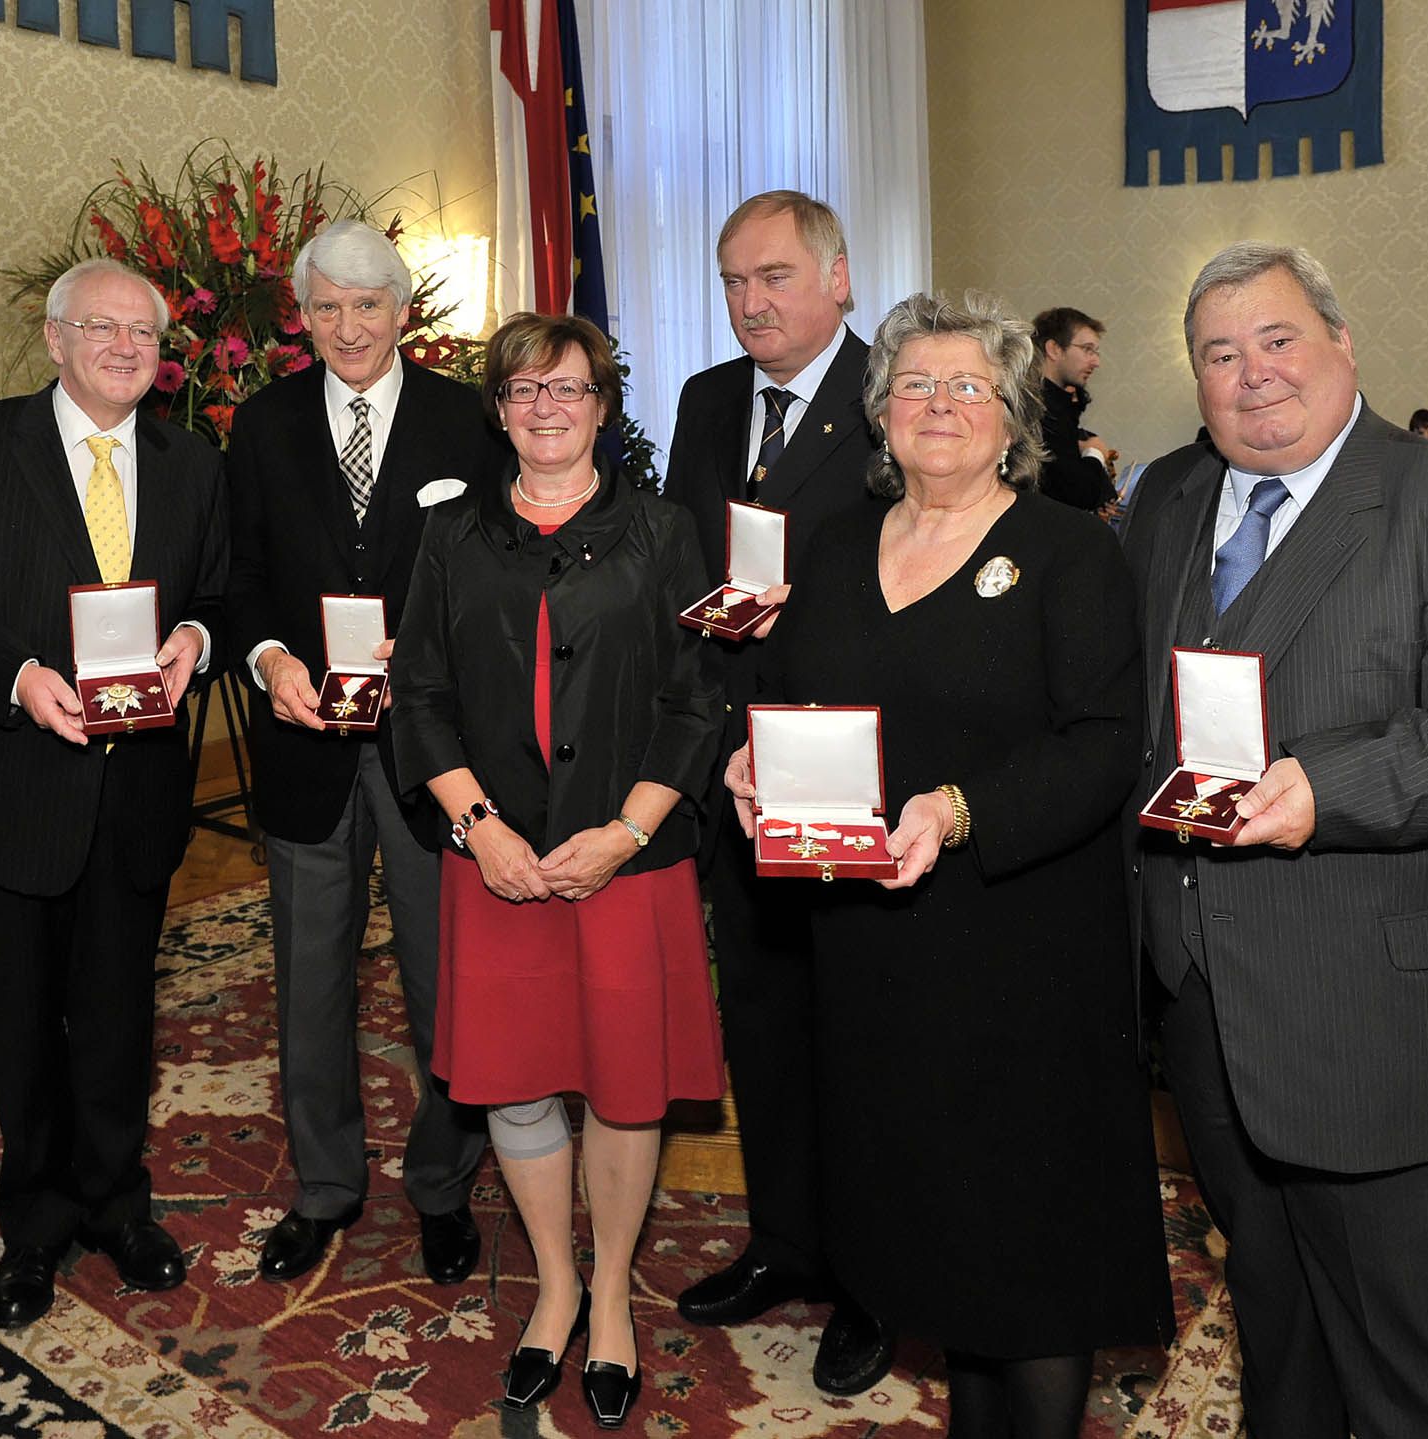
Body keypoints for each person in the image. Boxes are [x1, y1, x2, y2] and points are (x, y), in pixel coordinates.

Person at [721, 290, 1172, 1430]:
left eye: (968, 383)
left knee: (1023, 1242)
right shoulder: (832, 547)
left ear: (1012, 413)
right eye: (914, 382)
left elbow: (1101, 743)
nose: (938, 403)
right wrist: (747, 761)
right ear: (879, 413)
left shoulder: (1066, 549)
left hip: (1016, 946)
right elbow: (786, 697)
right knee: (932, 1227)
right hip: (870, 950)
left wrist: (959, 808)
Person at [1127, 242, 1428, 1437]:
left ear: (1340, 342)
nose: (1250, 375)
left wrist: (1334, 786)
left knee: (1420, 1371)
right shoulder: (1160, 498)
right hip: (1203, 1006)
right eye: (1218, 353)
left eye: (1275, 340)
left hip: (1390, 1030)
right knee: (1281, 1330)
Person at [391, 313, 724, 1430]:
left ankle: (616, 1288)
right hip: (501, 861)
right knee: (520, 1077)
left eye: (569, 389)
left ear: (601, 406)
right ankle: (556, 1281)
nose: (546, 407)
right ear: (497, 409)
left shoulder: (665, 528)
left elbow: (695, 699)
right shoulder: (449, 536)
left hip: (624, 858)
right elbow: (421, 697)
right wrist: (479, 827)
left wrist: (626, 831)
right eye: (524, 388)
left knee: (624, 1082)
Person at [0, 257, 228, 1330]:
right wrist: (17, 678)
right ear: (52, 337)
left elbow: (217, 587)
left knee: (123, 1015)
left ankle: (118, 1203)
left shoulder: (190, 462)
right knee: (24, 1021)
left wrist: (193, 638)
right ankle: (33, 1222)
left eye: (144, 333)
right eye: (101, 328)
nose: (126, 348)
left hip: (136, 796)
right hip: (13, 786)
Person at [224, 220, 492, 1287]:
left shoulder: (468, 419)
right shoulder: (261, 423)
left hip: (433, 750)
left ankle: (441, 1180)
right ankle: (325, 1184)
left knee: (445, 978)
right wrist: (271, 657)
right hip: (304, 748)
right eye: (325, 306)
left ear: (402, 309)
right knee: (310, 981)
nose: (346, 326)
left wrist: (435, 649)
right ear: (304, 314)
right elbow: (238, 575)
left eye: (366, 304)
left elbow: (497, 574)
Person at [657, 189, 893, 1396]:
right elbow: (688, 571)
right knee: (757, 1012)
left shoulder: (895, 394)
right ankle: (784, 1242)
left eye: (775, 277)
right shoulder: (704, 401)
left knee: (856, 1028)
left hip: (850, 765)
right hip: (729, 772)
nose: (752, 302)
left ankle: (871, 1280)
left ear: (838, 278)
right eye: (733, 282)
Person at [1031, 306, 1119, 511]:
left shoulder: (1057, 403)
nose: (1096, 361)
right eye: (1087, 349)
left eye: (1095, 351)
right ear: (1054, 349)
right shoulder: (1041, 409)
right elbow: (1078, 493)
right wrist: (1094, 452)